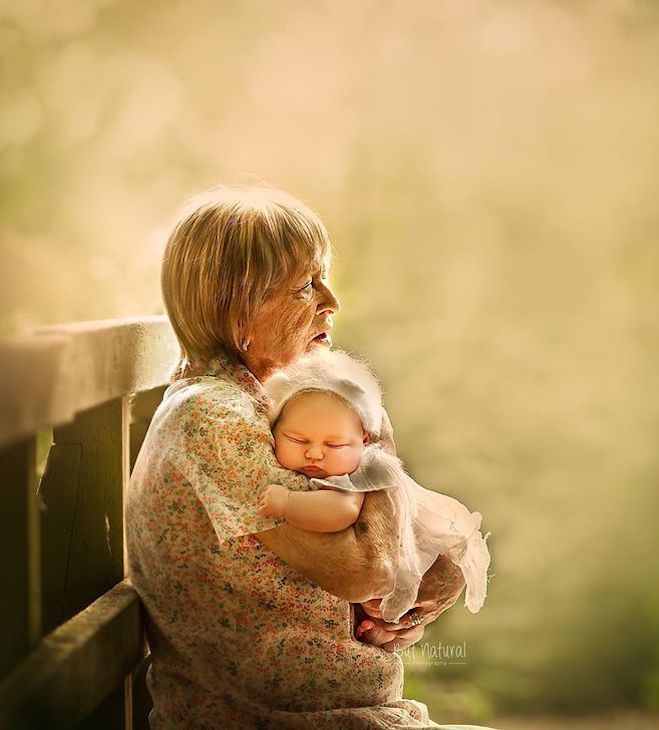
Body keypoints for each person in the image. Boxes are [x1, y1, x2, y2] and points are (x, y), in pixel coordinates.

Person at [125, 185, 497, 728]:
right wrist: (378, 452)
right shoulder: (211, 419)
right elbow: (369, 570)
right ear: (238, 312)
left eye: (323, 276)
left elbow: (420, 552)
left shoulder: (276, 405)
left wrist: (428, 589)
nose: (331, 300)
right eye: (305, 284)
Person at [256, 348, 491, 638]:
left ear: (363, 441)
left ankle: (389, 632)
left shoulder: (365, 469)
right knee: (379, 610)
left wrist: (288, 502)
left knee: (393, 605)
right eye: (297, 439)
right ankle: (383, 633)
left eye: (336, 445)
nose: (314, 453)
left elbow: (342, 512)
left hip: (418, 554)